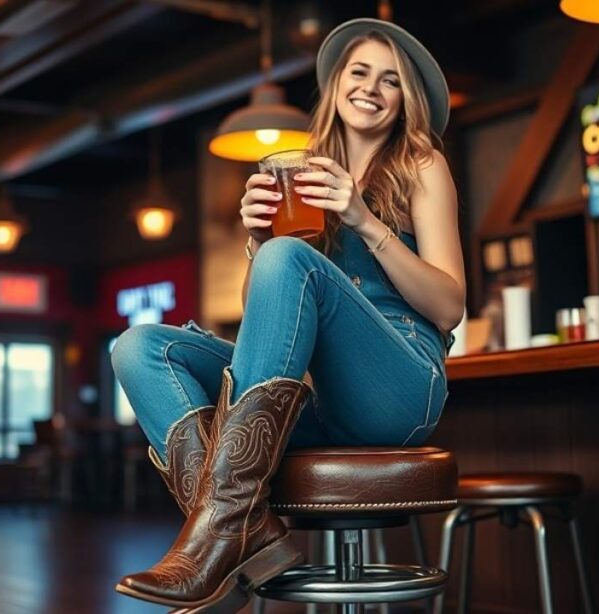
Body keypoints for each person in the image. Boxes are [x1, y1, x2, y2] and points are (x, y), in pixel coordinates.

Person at [111, 17, 465, 613]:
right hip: (316, 398)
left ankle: (221, 538)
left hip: (401, 387)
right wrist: (256, 240)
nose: (371, 89)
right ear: (333, 85)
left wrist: (363, 220)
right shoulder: (303, 171)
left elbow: (450, 306)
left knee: (287, 254)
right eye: (359, 73)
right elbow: (266, 315)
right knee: (138, 347)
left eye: (391, 81)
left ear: (408, 100)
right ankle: (245, 530)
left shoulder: (420, 164)